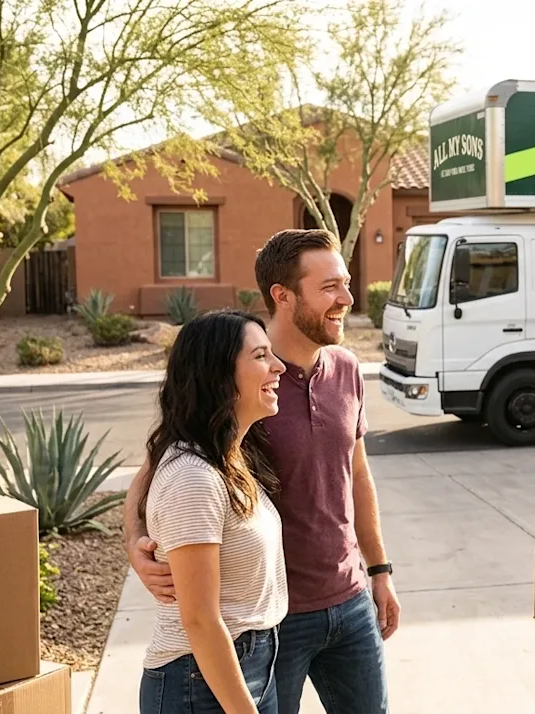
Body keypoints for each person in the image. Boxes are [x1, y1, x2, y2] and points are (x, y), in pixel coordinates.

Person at [124, 228, 398, 714]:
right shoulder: (240, 382)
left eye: (347, 282)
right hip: (273, 620)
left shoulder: (346, 369)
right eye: (330, 286)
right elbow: (155, 476)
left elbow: (357, 476)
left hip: (349, 598)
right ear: (283, 295)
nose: (348, 298)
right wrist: (137, 548)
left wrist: (379, 570)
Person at [137, 308, 289, 714]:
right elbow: (200, 620)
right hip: (199, 683)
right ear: (218, 376)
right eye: (260, 357)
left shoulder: (226, 455)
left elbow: (136, 496)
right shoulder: (193, 477)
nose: (277, 366)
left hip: (244, 666)